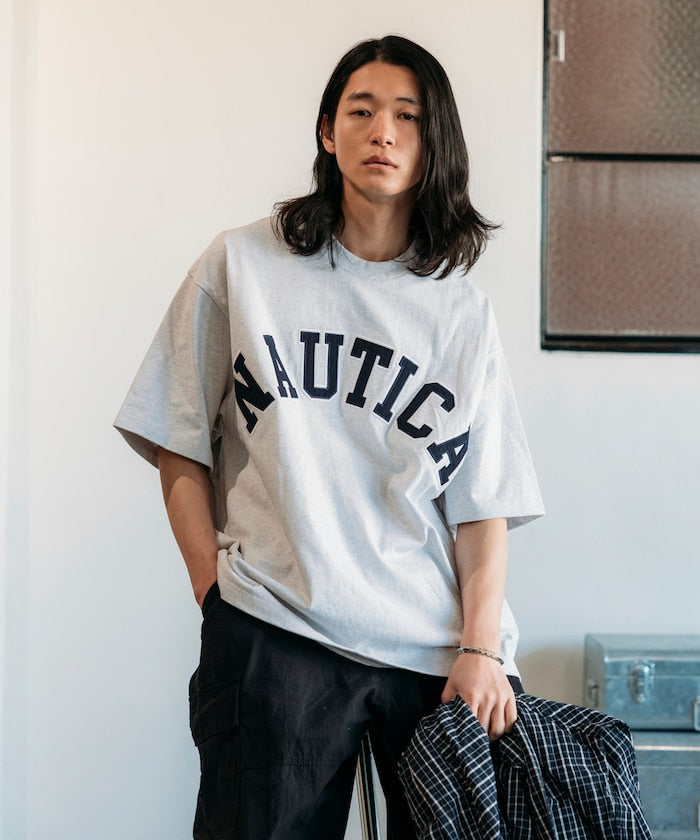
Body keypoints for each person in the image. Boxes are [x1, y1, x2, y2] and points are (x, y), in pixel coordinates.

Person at [115, 34, 544, 840]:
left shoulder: (461, 311)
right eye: (361, 110)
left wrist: (483, 649)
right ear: (327, 131)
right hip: (277, 628)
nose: (383, 131)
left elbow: (482, 503)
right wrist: (217, 598)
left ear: (434, 143)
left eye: (408, 116)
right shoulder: (243, 265)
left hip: (432, 649)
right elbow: (177, 439)